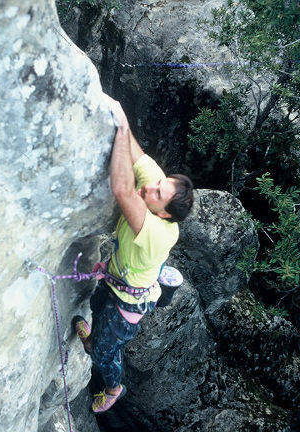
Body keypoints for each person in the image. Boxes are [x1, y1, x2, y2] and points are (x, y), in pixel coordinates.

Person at [73, 94, 194, 413]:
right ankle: (92, 338)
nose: (150, 188)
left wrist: (123, 130)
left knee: (102, 354)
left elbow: (122, 189)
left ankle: (113, 388)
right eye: (159, 183)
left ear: (165, 214)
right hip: (118, 278)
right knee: (97, 307)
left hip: (128, 303)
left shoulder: (156, 232)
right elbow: (138, 157)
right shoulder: (157, 188)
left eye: (157, 193)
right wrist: (121, 118)